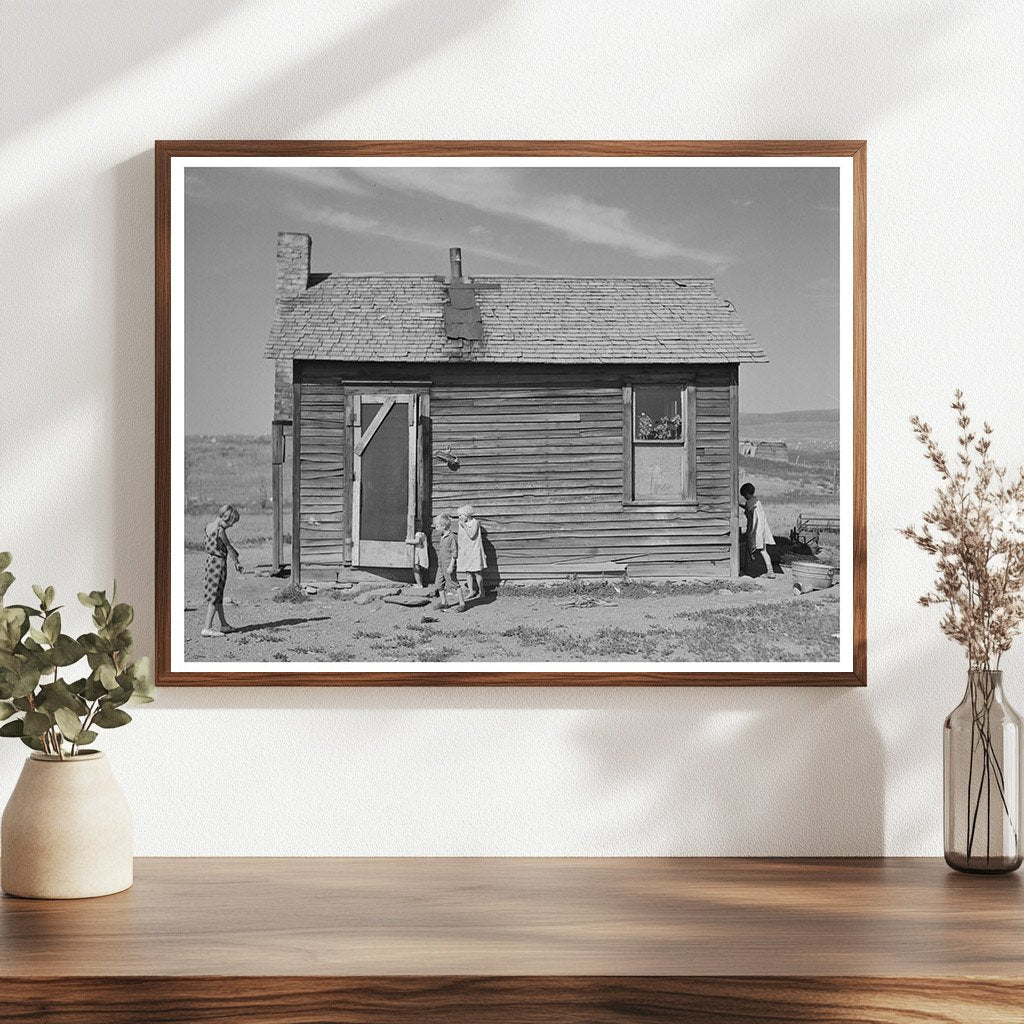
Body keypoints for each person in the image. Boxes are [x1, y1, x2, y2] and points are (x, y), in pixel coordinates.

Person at [202, 504, 244, 637]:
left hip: (210, 562)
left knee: (218, 595)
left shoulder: (209, 526)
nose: (231, 526)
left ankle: (224, 625)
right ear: (227, 519)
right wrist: (237, 562)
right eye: (232, 523)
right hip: (218, 565)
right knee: (214, 597)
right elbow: (229, 548)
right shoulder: (220, 530)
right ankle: (207, 628)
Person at [740, 482, 776, 579]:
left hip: (756, 530)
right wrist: (740, 505)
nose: (745, 498)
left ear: (746, 494)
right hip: (762, 528)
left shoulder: (751, 503)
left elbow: (753, 518)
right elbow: (749, 509)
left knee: (750, 549)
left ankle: (746, 570)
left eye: (744, 496)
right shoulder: (756, 501)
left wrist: (750, 531)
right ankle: (770, 571)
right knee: (763, 550)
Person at [431, 514, 465, 612]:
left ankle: (462, 603)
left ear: (443, 526)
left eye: (437, 526)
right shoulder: (443, 536)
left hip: (448, 565)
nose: (436, 528)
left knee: (454, 583)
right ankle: (444, 602)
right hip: (441, 565)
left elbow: (454, 553)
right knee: (438, 583)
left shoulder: (451, 537)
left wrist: (451, 566)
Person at [456, 504, 486, 600]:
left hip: (474, 549)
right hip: (466, 550)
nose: (460, 517)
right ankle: (471, 591)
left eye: (461, 515)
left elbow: (472, 535)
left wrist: (464, 525)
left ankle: (482, 591)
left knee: (477, 571)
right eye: (459, 516)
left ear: (467, 515)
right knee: (468, 572)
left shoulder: (475, 522)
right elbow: (461, 538)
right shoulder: (461, 523)